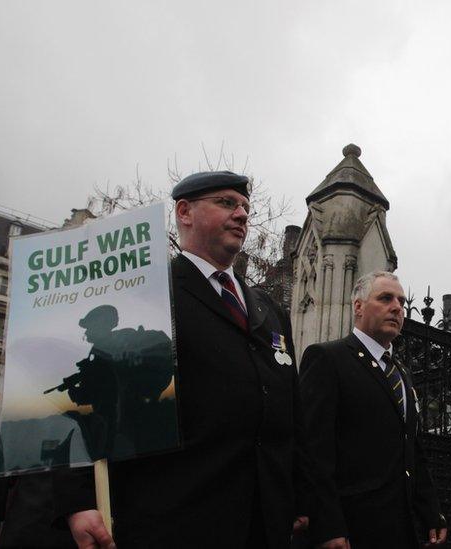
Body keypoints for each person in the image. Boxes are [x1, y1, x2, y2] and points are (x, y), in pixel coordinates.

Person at [57, 171, 310, 548]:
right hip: (175, 516)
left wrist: (300, 494)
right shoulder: (147, 291)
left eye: (244, 207)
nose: (241, 214)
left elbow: (290, 413)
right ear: (184, 212)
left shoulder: (269, 310)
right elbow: (86, 400)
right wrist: (78, 501)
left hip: (265, 522)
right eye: (226, 203)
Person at [297, 271, 447, 549]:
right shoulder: (328, 358)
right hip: (352, 526)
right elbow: (313, 450)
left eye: (401, 302)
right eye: (385, 298)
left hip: (400, 528)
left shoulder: (401, 372)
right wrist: (327, 525)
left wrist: (431, 510)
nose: (397, 308)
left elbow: (411, 447)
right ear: (358, 306)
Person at [53, 304, 174, 460]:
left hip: (115, 424)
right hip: (137, 415)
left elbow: (88, 395)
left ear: (100, 324)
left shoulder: (101, 352)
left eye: (89, 326)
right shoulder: (125, 339)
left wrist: (72, 389)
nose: (86, 331)